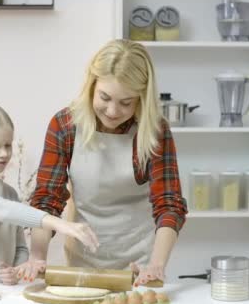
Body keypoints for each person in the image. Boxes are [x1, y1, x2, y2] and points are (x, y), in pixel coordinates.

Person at [17, 39, 188, 286]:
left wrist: (156, 265)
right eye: (105, 97)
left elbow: (169, 205)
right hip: (81, 264)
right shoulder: (65, 125)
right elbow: (47, 200)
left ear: (142, 98)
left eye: (126, 102)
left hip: (141, 265)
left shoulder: (154, 131)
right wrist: (37, 256)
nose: (112, 111)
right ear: (91, 85)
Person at [0, 101, 99, 285]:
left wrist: (16, 270)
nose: (4, 153)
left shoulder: (9, 193)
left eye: (8, 145)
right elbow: (3, 210)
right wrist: (59, 224)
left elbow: (20, 247)